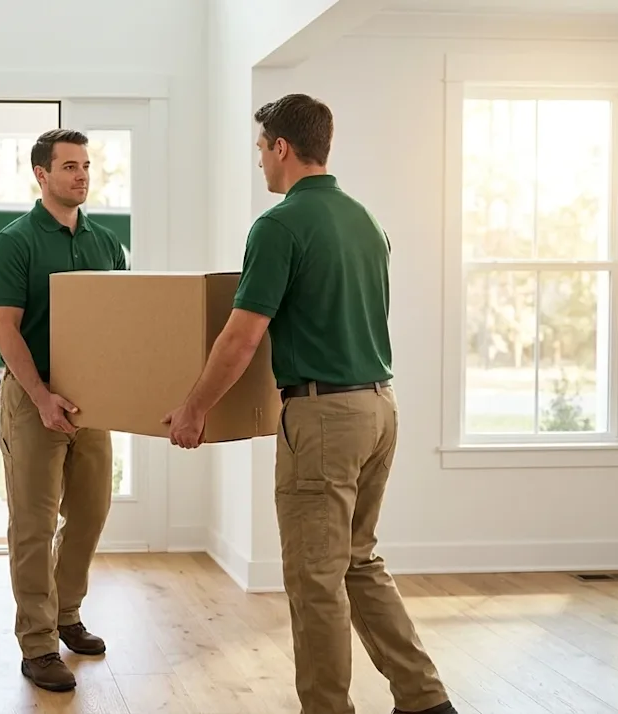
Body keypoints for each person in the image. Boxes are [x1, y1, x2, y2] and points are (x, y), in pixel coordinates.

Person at [161, 94, 458, 714]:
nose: (260, 165)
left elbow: (242, 336)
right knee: (359, 561)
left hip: (323, 420)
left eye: (261, 151)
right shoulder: (363, 220)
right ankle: (425, 700)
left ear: (281, 147)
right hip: (379, 408)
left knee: (315, 579)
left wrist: (193, 409)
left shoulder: (279, 226)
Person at [0, 128, 127, 693]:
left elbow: (122, 323)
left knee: (90, 513)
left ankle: (68, 613)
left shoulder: (108, 243)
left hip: (93, 401)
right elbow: (5, 330)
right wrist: (42, 397)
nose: (81, 175)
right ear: (41, 175)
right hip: (32, 399)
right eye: (69, 166)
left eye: (86, 165)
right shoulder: (14, 242)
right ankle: (38, 643)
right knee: (34, 526)